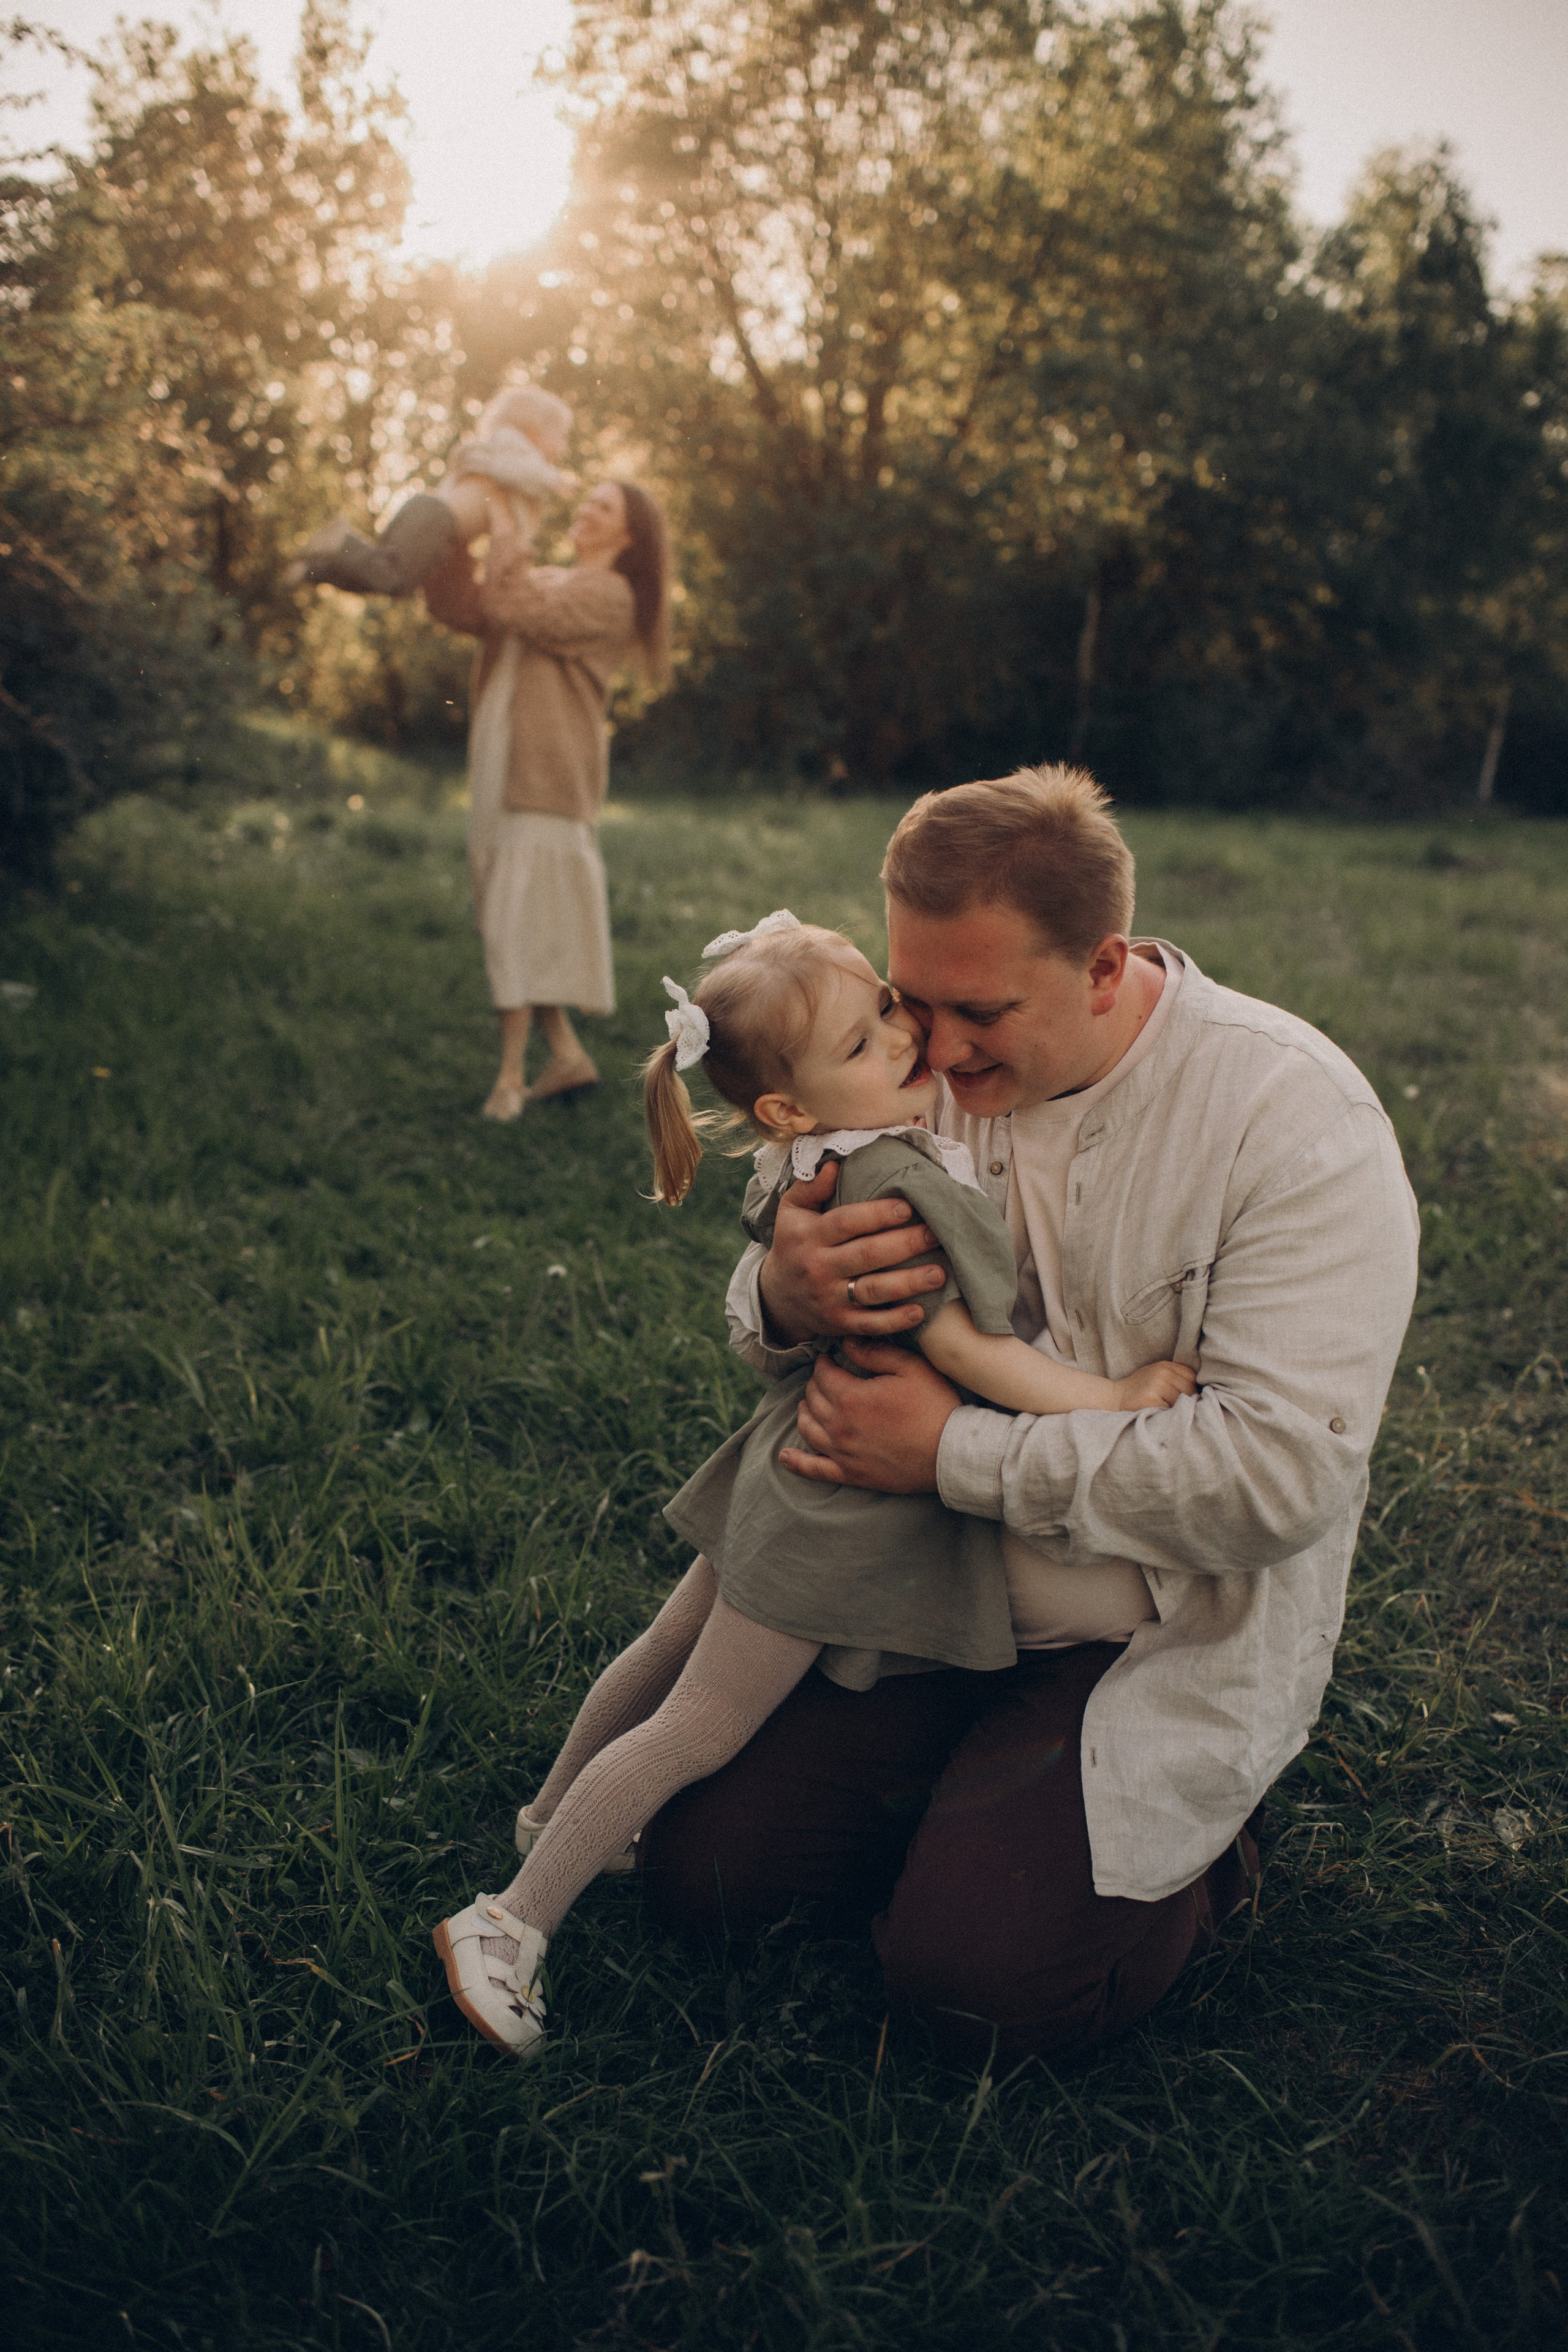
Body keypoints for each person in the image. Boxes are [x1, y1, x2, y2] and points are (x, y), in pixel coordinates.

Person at [635, 766, 1420, 2068]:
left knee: (975, 1992)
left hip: (1144, 1636)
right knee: (701, 1883)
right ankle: (974, 1810)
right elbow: (789, 1245)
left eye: (979, 1012)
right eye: (907, 1003)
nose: (933, 1052)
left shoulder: (1294, 1123)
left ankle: (1191, 1857)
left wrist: (949, 1454)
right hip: (916, 1603)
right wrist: (778, 1292)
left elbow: (1275, 1478)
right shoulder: (901, 1059)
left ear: (1103, 966)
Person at [432, 912, 1196, 2056]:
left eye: (886, 1007)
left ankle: (554, 1820)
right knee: (702, 1722)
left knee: (662, 1648)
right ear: (791, 1104)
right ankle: (512, 1922)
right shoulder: (901, 1185)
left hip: (781, 1460)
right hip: (838, 1500)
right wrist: (1121, 1397)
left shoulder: (814, 1158)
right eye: (863, 1041)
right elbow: (979, 1354)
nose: (902, 1041)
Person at [422, 473, 672, 1119]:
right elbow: (467, 608)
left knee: (513, 918)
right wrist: (446, 538)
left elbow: (515, 607)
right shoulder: (552, 579)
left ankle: (509, 1078)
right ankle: (565, 1055)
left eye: (604, 506)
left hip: (548, 775)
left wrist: (507, 531)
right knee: (517, 916)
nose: (585, 509)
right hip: (504, 763)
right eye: (587, 498)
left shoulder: (609, 595)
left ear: (629, 533)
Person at [283, 383, 572, 597]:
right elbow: (515, 471)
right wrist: (554, 479)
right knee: (392, 578)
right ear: (534, 428)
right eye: (560, 436)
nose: (563, 446)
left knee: (393, 583)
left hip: (434, 521)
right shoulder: (514, 446)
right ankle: (342, 541)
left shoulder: (506, 456)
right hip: (437, 519)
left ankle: (314, 569)